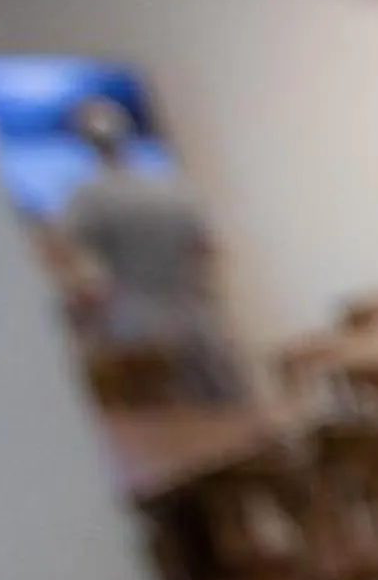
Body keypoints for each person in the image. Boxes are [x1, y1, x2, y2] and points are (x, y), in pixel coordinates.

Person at [58, 95, 243, 400]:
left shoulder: (88, 195)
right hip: (193, 313)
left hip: (136, 321)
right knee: (223, 403)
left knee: (164, 416)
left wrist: (85, 301)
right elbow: (206, 249)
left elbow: (67, 255)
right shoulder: (172, 185)